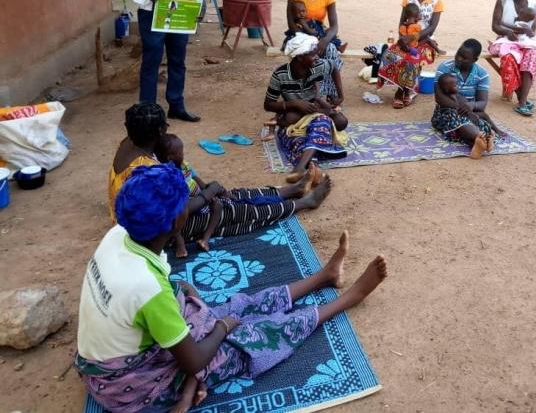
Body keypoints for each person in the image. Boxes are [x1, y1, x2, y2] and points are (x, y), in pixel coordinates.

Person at [75, 164, 388, 413]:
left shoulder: (119, 235)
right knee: (252, 336)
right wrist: (222, 327)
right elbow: (195, 359)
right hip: (130, 390)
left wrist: (200, 311)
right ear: (175, 222)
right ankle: (347, 299)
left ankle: (324, 277)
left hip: (119, 362)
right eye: (185, 203)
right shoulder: (145, 287)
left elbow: (169, 291)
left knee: (236, 306)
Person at [151, 132, 332, 253]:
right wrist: (209, 193)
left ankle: (292, 190)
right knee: (240, 211)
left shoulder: (157, 164)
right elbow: (182, 210)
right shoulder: (163, 177)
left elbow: (194, 182)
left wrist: (209, 190)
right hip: (182, 224)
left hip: (196, 205)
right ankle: (303, 202)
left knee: (238, 195)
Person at [265, 33, 349, 182]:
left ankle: (301, 168)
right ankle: (309, 168)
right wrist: (296, 104)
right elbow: (268, 104)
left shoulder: (317, 66)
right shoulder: (280, 75)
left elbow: (334, 67)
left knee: (339, 122)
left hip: (314, 110)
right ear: (300, 57)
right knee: (304, 129)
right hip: (294, 114)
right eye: (313, 54)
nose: (317, 57)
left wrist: (340, 96)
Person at [377, 0, 445, 109]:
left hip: (426, 42)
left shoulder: (437, 1)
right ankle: (407, 89)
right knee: (390, 55)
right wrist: (403, 39)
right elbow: (401, 22)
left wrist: (413, 37)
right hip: (406, 40)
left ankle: (402, 91)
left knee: (411, 59)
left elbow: (432, 27)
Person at [489, 0, 536, 117]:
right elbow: (495, 26)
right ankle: (522, 98)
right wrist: (509, 32)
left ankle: (522, 101)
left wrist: (527, 32)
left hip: (524, 42)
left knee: (531, 55)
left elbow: (532, 31)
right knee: (509, 59)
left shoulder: (535, 6)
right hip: (505, 40)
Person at [286, 0, 344, 106]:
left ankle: (329, 94)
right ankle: (316, 95)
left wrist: (323, 41)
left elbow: (334, 26)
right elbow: (291, 24)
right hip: (299, 35)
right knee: (308, 54)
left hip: (319, 34)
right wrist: (310, 40)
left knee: (330, 49)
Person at [155, 134, 224, 258]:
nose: (183, 154)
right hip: (184, 206)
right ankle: (180, 244)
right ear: (170, 158)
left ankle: (205, 240)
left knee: (218, 205)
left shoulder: (184, 165)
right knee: (174, 217)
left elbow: (197, 180)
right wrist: (209, 193)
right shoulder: (167, 175)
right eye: (180, 152)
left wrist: (207, 191)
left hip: (198, 198)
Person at [432, 39, 496, 158]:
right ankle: (481, 139)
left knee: (478, 122)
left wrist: (471, 106)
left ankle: (477, 143)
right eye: (458, 54)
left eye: (464, 58)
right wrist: (462, 110)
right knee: (460, 121)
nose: (459, 59)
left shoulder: (482, 74)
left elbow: (482, 103)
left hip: (469, 111)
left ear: (475, 60)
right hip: (447, 110)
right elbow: (439, 98)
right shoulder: (445, 68)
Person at [108, 102, 165, 220]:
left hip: (120, 212)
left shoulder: (126, 143)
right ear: (161, 130)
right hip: (135, 227)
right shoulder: (147, 168)